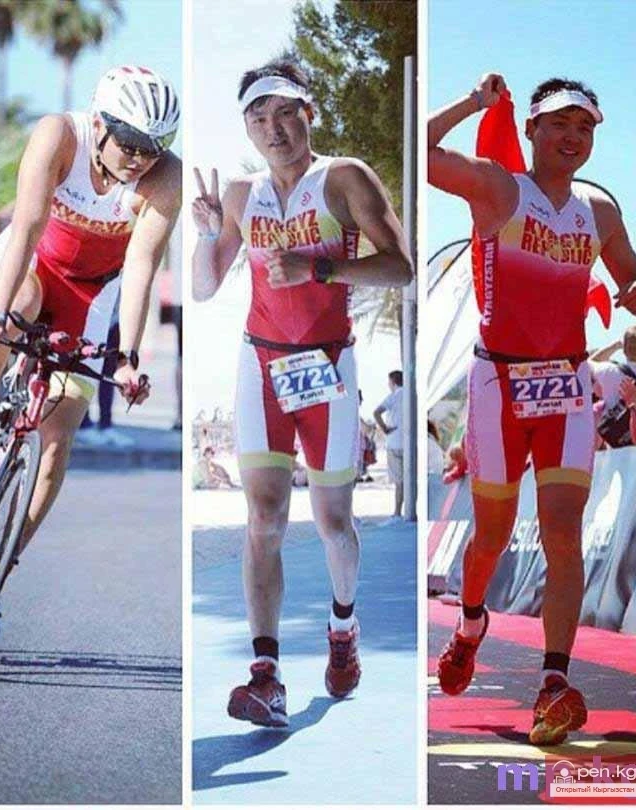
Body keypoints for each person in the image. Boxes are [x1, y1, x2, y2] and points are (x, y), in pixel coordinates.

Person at [192, 60, 413, 727]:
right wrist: (205, 234)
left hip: (329, 366)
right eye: (259, 118)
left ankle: (343, 626)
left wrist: (320, 268)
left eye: (285, 113)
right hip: (260, 364)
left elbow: (400, 267)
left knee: (333, 524)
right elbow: (203, 287)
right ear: (247, 128)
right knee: (263, 519)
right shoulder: (240, 194)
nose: (274, 129)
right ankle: (266, 674)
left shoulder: (344, 178)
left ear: (308, 113)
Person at [428, 74, 636, 744]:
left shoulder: (599, 209)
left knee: (563, 532)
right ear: (532, 129)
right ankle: (471, 622)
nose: (572, 138)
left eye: (584, 128)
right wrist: (472, 103)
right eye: (559, 124)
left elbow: (632, 274)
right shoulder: (498, 187)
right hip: (498, 384)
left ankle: (553, 682)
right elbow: (422, 152)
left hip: (568, 387)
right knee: (491, 536)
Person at [0, 65, 182, 640]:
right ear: (99, 124)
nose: (140, 158)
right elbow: (26, 226)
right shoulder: (59, 135)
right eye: (130, 143)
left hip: (92, 295)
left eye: (155, 146)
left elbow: (141, 267)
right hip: (31, 265)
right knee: (14, 309)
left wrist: (128, 357)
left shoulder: (165, 178)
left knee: (56, 444)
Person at [590, 324, 636, 448]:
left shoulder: (609, 371)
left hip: (620, 446)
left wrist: (615, 346)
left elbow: (588, 363)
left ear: (624, 350)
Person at [374, 370, 405, 518]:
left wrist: (385, 428)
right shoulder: (413, 394)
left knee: (399, 481)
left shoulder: (394, 396)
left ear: (393, 382)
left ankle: (397, 512)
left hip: (394, 442)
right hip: (410, 443)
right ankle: (411, 511)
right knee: (411, 480)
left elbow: (376, 412)